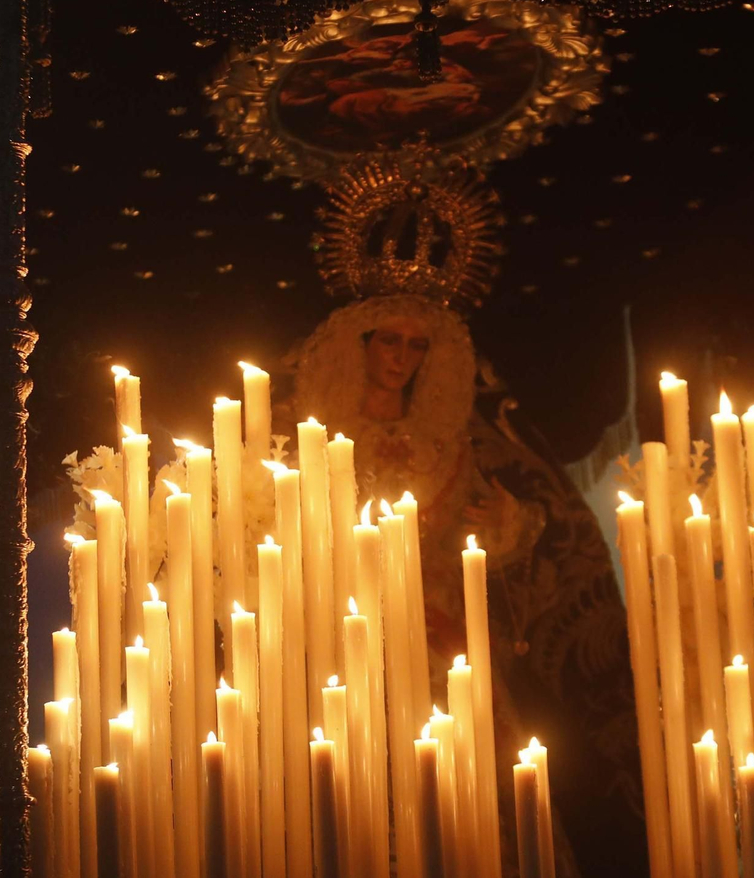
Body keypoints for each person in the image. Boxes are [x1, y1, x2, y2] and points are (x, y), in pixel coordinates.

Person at [277, 293, 649, 878]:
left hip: (446, 647)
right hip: (349, 640)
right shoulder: (313, 440)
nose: (402, 358)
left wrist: (508, 525)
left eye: (416, 345)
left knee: (480, 791)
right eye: (390, 341)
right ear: (362, 343)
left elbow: (489, 539)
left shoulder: (444, 444)